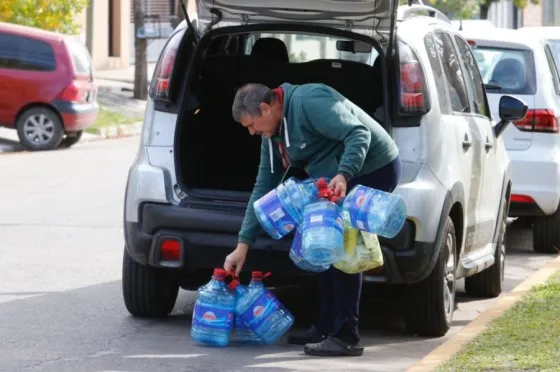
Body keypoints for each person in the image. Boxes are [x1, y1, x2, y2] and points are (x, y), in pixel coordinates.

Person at [223, 82, 401, 357]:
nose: (252, 131)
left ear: (265, 107)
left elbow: (358, 133)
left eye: (252, 124)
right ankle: (327, 325)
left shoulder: (309, 102)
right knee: (322, 242)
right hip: (337, 174)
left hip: (372, 167)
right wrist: (243, 243)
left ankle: (345, 336)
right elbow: (264, 187)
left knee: (341, 247)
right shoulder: (272, 135)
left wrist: (345, 173)